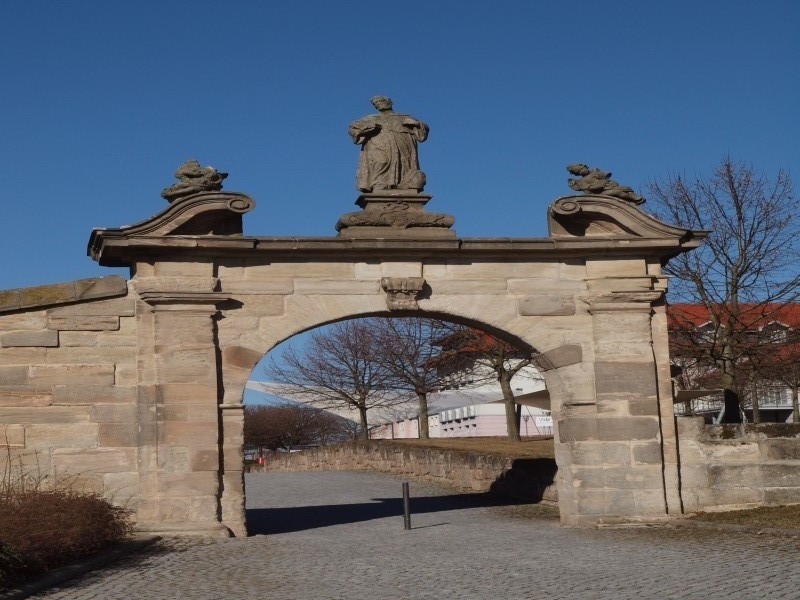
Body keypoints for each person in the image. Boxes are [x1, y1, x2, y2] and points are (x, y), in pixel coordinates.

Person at [349, 96, 429, 193]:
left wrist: (417, 124)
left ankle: (404, 184)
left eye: (381, 101)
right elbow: (353, 128)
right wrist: (366, 128)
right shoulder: (370, 118)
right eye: (375, 103)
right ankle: (378, 183)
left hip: (402, 144)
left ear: (389, 102)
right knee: (381, 161)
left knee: (403, 162)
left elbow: (422, 130)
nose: (378, 103)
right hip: (378, 144)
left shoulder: (403, 117)